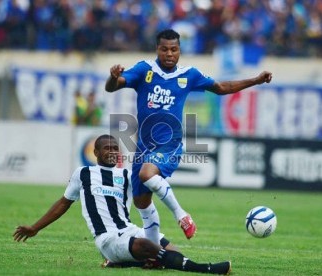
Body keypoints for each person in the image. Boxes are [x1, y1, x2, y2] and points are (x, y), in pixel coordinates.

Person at [105, 29, 272, 243]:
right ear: (157, 49)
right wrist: (113, 77)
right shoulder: (143, 69)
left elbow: (221, 87)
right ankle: (155, 253)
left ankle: (181, 215)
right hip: (143, 146)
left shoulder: (189, 74)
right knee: (141, 202)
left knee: (147, 174)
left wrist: (256, 80)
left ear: (180, 51)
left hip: (169, 143)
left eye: (174, 49)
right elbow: (112, 87)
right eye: (164, 49)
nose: (169, 54)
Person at [13, 135, 231, 275]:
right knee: (149, 249)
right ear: (96, 153)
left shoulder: (127, 175)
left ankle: (121, 263)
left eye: (115, 148)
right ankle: (206, 269)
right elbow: (63, 203)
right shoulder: (84, 174)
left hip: (129, 230)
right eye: (107, 148)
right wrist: (35, 228)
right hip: (107, 239)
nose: (112, 152)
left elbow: (147, 190)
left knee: (169, 248)